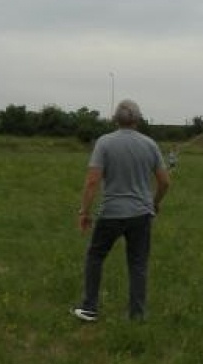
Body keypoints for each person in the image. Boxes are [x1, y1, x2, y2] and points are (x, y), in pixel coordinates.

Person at [73, 98, 170, 322]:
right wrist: (154, 203)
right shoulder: (150, 144)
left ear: (116, 119)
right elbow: (165, 182)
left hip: (111, 214)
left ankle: (89, 308)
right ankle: (137, 315)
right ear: (137, 119)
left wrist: (84, 212)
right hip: (141, 215)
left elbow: (91, 182)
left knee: (95, 256)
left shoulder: (104, 143)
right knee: (138, 264)